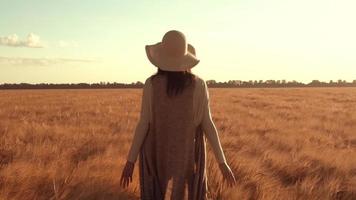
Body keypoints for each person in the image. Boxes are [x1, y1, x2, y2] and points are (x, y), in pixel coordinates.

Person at [120, 30, 236, 200]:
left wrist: (131, 161)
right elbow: (208, 124)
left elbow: (143, 123)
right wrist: (222, 162)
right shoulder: (198, 85)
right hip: (187, 155)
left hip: (155, 152)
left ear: (160, 58)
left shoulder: (151, 84)